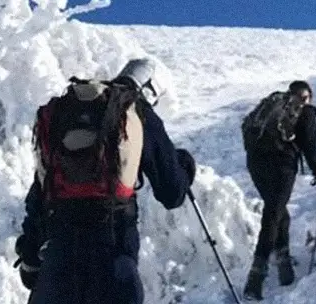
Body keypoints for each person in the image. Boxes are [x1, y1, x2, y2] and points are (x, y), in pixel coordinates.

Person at [14, 59, 196, 304]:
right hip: (113, 255)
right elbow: (172, 193)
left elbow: (41, 189)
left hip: (59, 255)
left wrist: (30, 258)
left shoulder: (65, 114)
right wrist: (183, 165)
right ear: (151, 89)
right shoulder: (136, 113)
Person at [240, 80, 316, 300]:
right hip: (281, 162)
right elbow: (309, 145)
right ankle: (255, 278)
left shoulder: (272, 104)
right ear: (307, 96)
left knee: (277, 209)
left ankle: (284, 266)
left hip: (255, 162)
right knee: (273, 213)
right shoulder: (306, 110)